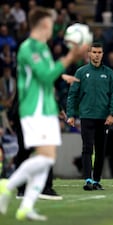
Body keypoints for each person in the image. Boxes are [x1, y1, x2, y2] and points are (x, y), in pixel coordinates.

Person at [0, 6, 88, 221]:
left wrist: (56, 108)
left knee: (47, 159)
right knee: (42, 157)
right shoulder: (27, 48)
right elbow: (46, 76)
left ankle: (27, 206)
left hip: (46, 108)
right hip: (33, 109)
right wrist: (70, 57)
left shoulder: (43, 48)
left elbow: (51, 80)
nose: (54, 28)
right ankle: (7, 186)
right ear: (45, 25)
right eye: (52, 23)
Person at [66, 42, 113, 191]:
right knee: (87, 148)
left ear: (103, 54)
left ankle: (96, 180)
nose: (97, 55)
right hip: (87, 116)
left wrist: (112, 113)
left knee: (101, 151)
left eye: (99, 52)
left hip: (104, 118)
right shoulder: (81, 72)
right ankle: (88, 179)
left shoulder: (109, 73)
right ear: (89, 54)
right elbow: (73, 94)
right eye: (94, 52)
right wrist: (71, 114)